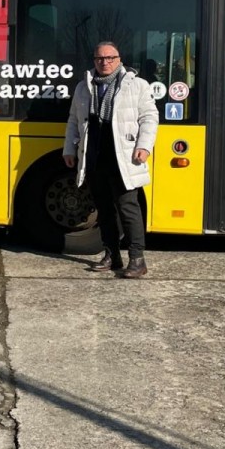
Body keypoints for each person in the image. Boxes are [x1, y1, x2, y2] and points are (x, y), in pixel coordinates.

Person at [63, 42, 159, 278]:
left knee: (128, 208)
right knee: (104, 209)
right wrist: (69, 149)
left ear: (119, 59)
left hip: (123, 157)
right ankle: (112, 255)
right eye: (99, 58)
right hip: (94, 156)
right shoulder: (83, 87)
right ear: (94, 60)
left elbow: (149, 117)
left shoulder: (137, 85)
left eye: (109, 58)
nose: (104, 62)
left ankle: (137, 259)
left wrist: (144, 146)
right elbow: (74, 120)